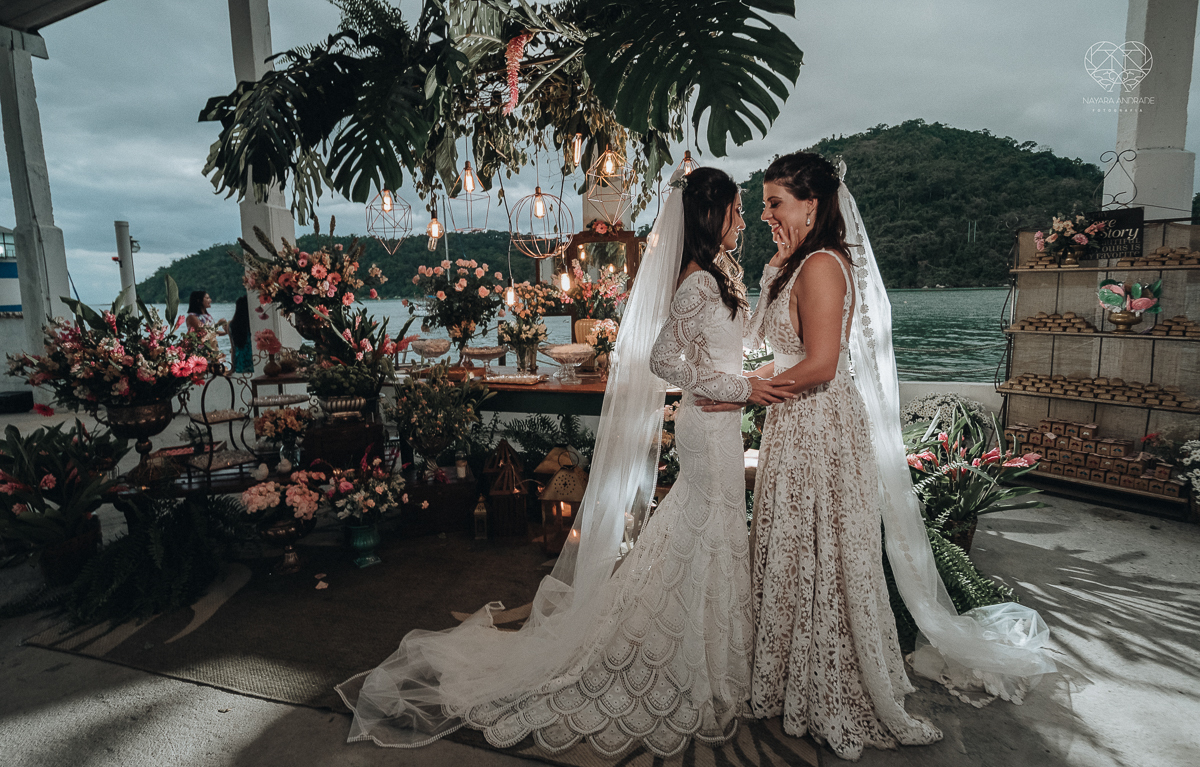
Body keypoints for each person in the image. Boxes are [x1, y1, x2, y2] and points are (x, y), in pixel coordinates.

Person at [336, 167, 794, 758]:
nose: (740, 222)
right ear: (711, 217)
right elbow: (662, 357)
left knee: (712, 530)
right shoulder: (695, 282)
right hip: (710, 426)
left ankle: (711, 647)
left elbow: (727, 346)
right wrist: (737, 388)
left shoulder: (720, 274)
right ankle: (682, 650)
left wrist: (744, 371)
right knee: (707, 529)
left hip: (722, 421)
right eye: (734, 211)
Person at [700, 152, 1055, 760]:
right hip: (796, 421)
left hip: (817, 424)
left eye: (774, 203)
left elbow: (821, 365)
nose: (764, 215)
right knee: (795, 541)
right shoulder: (797, 263)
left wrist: (754, 390)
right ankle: (789, 674)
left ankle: (824, 681)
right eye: (761, 205)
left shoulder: (822, 266)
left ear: (811, 204)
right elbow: (779, 346)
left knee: (820, 547)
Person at [228, 296, 254, 374]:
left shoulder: (232, 325)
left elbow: (233, 347)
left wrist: (232, 367)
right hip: (253, 359)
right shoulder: (251, 324)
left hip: (239, 360)